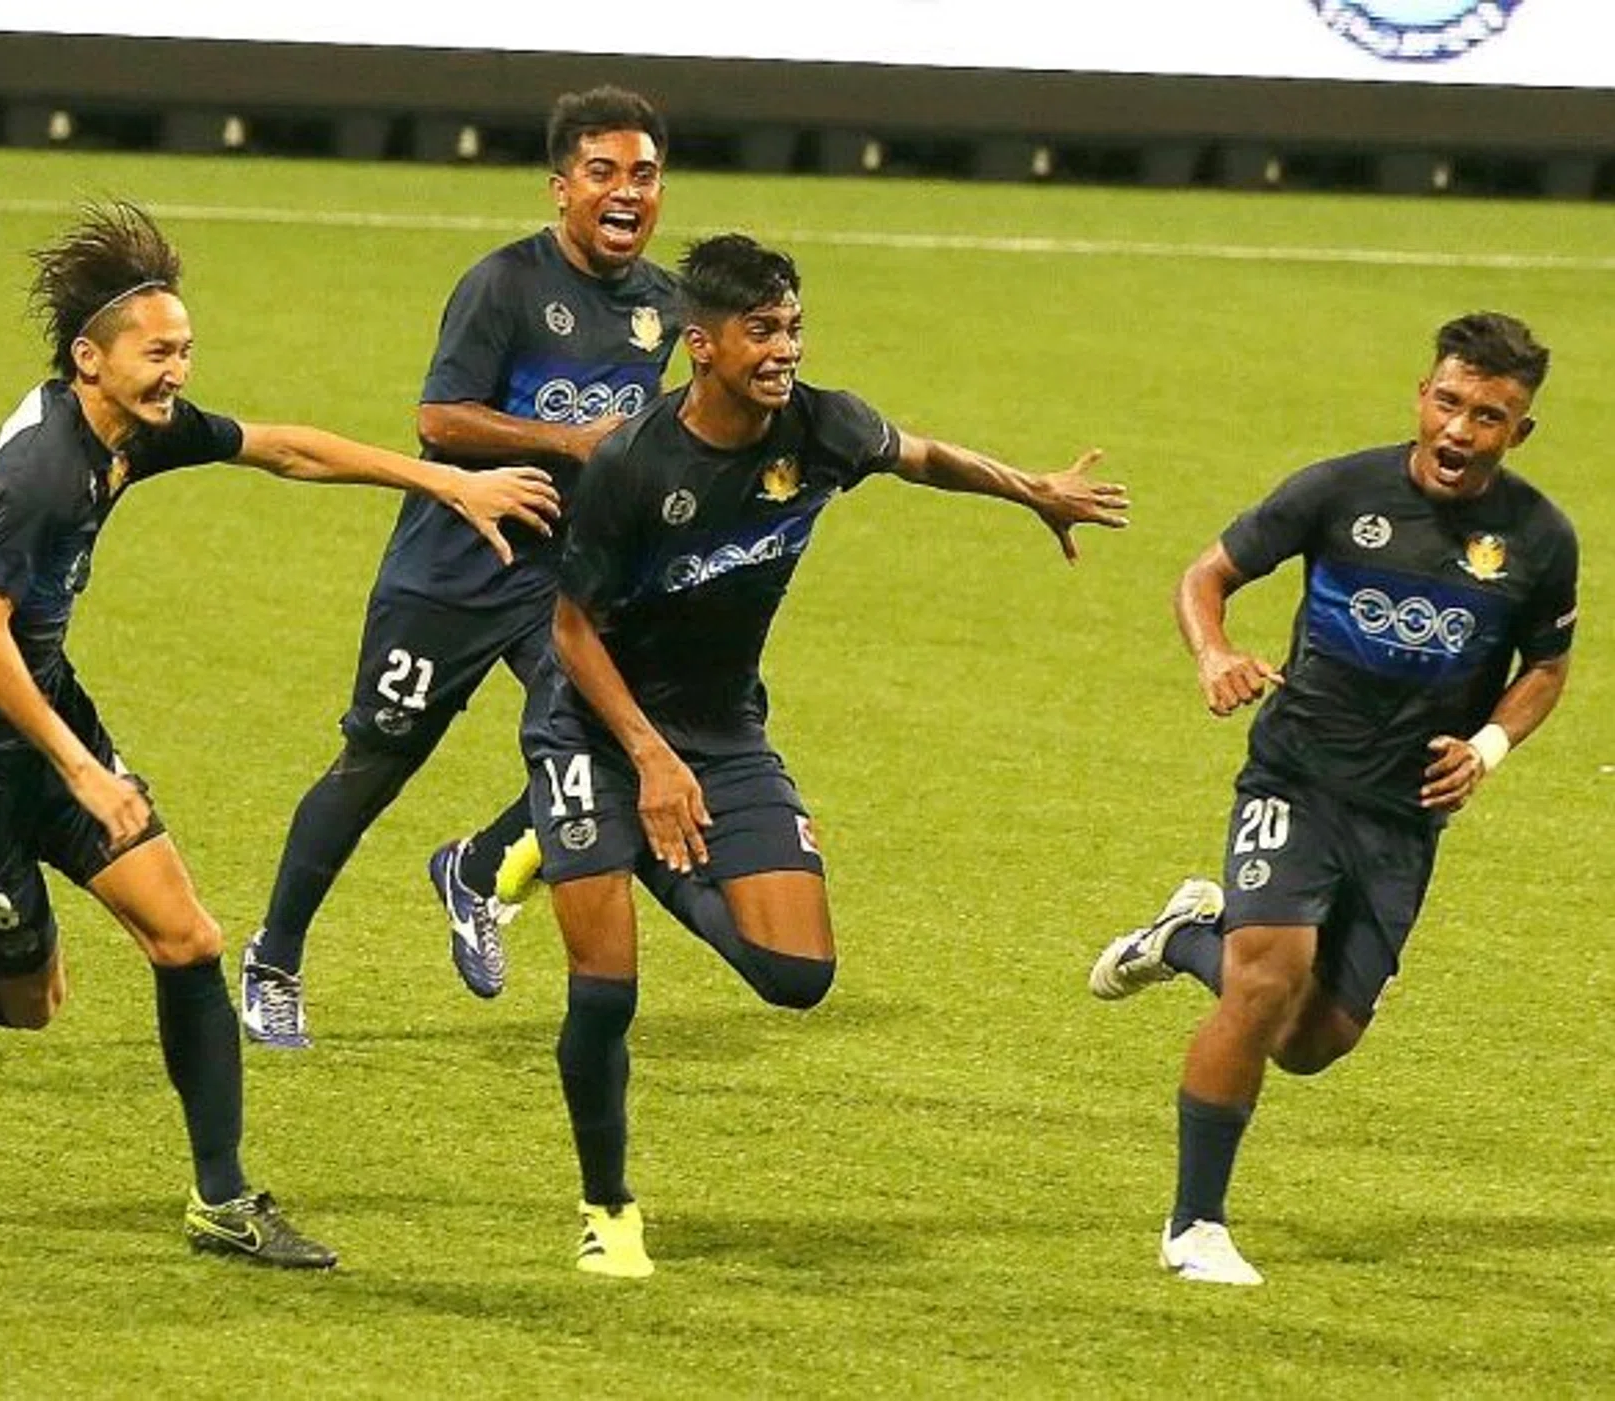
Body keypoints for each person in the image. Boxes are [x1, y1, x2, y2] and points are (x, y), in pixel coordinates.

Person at [0, 201, 558, 1270]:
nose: (178, 373)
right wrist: (78, 770)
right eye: (159, 354)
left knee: (188, 940)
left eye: (185, 351)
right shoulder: (43, 473)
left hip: (53, 725)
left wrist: (441, 477)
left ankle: (222, 1202)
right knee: (25, 1001)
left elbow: (280, 448)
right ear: (89, 358)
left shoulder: (128, 430)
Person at [526, 232, 1129, 1276]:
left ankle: (631, 855)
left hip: (722, 729)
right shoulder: (633, 464)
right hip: (593, 726)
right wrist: (651, 763)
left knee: (797, 975)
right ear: (701, 345)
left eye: (794, 328)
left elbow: (924, 456)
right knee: (607, 989)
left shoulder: (822, 425)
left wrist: (1027, 488)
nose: (784, 350)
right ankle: (609, 1208)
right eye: (761, 332)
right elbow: (571, 631)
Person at [1087, 312, 1576, 1286]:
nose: (1460, 430)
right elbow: (1207, 576)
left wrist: (1487, 746)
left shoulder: (1539, 538)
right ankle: (1195, 1229)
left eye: (1489, 415)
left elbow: (1548, 665)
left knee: (1315, 1041)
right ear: (1420, 397)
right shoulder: (1337, 491)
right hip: (1299, 777)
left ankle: (1187, 937)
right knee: (1267, 983)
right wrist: (1215, 653)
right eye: (1448, 402)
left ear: (1518, 433)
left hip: (1405, 817)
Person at [241, 85, 683, 1046]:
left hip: (560, 579)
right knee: (376, 764)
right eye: (602, 173)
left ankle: (478, 867)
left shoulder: (662, 307)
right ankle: (274, 954)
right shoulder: (504, 286)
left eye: (643, 175)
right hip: (451, 569)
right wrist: (571, 442)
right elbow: (440, 421)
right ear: (560, 187)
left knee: (607, 736)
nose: (625, 193)